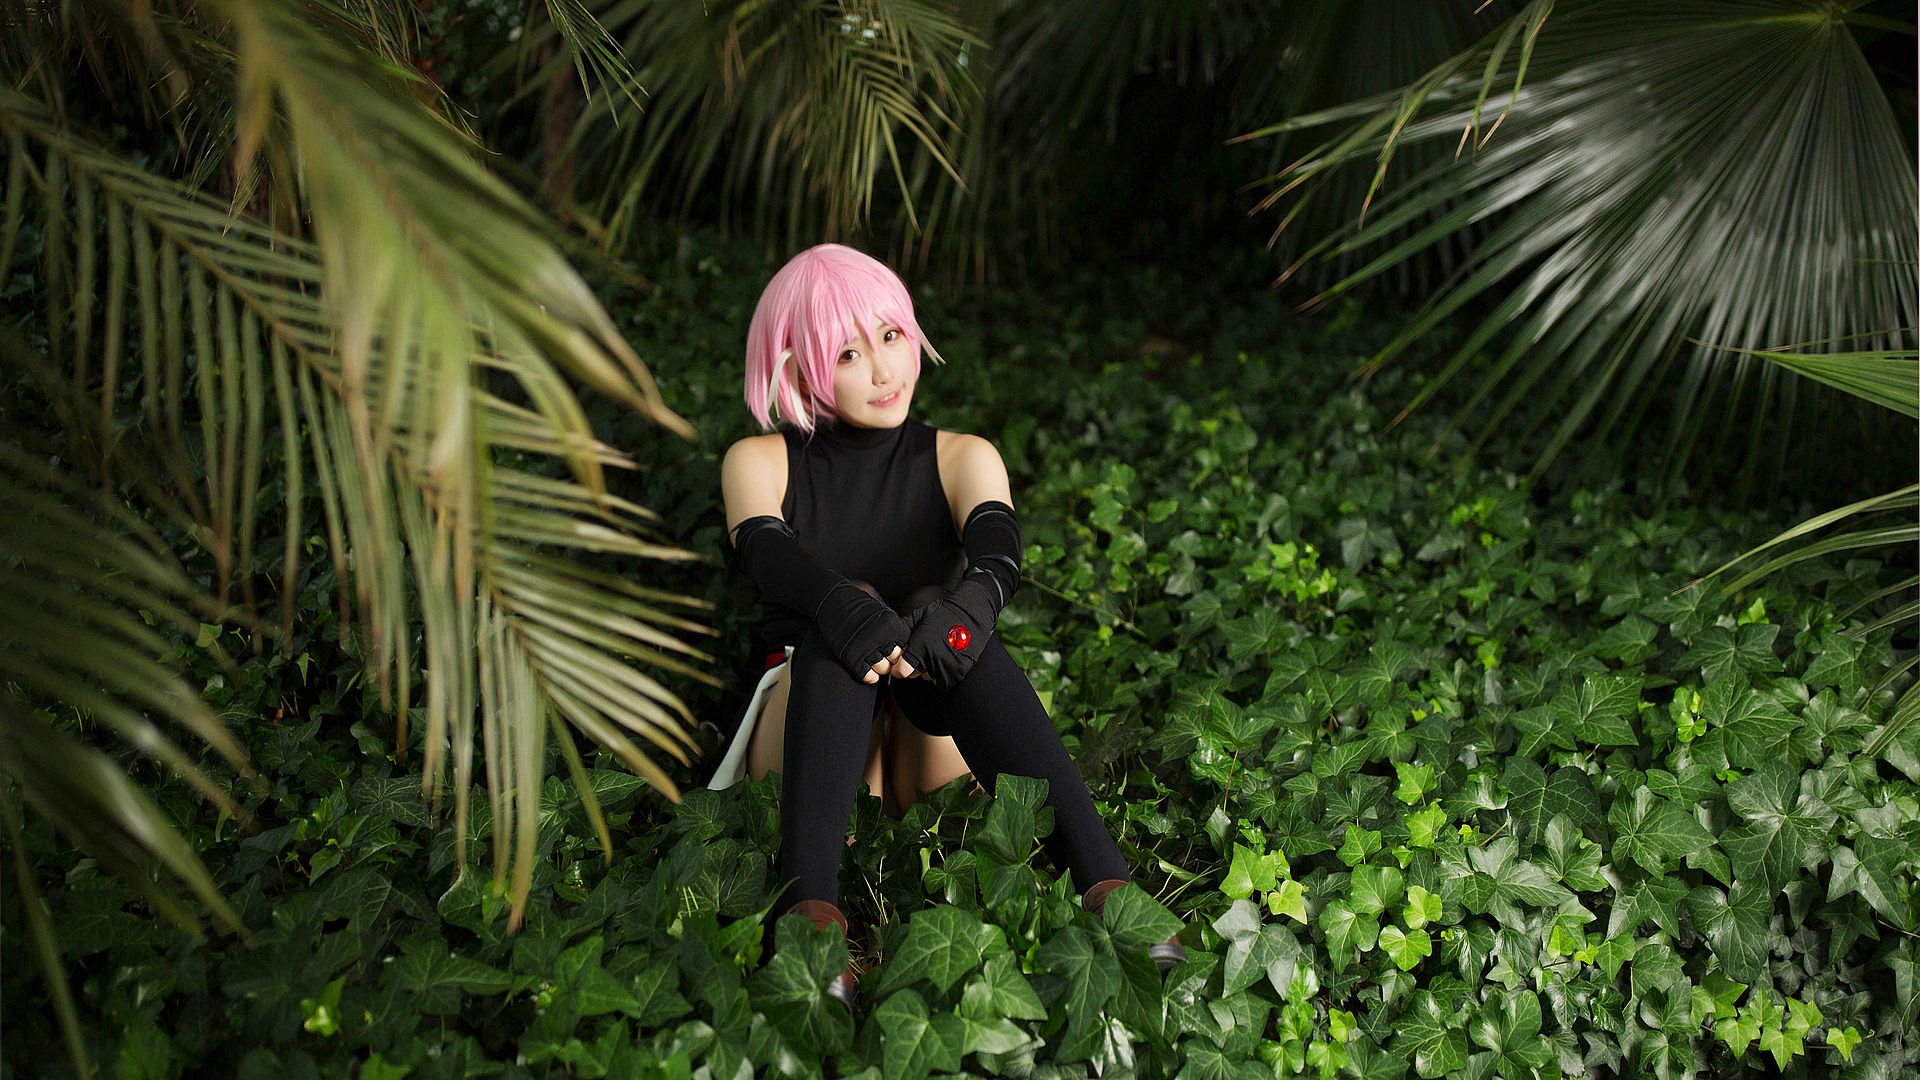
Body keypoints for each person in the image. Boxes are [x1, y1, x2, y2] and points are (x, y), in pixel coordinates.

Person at [711, 243, 1187, 1013]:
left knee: (951, 611)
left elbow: (997, 555)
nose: (883, 369)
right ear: (798, 368)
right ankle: (807, 916)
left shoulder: (963, 455)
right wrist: (849, 609)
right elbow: (770, 556)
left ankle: (1108, 887)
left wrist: (959, 619)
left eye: (891, 336)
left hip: (927, 739)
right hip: (812, 730)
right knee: (848, 601)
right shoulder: (757, 460)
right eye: (848, 353)